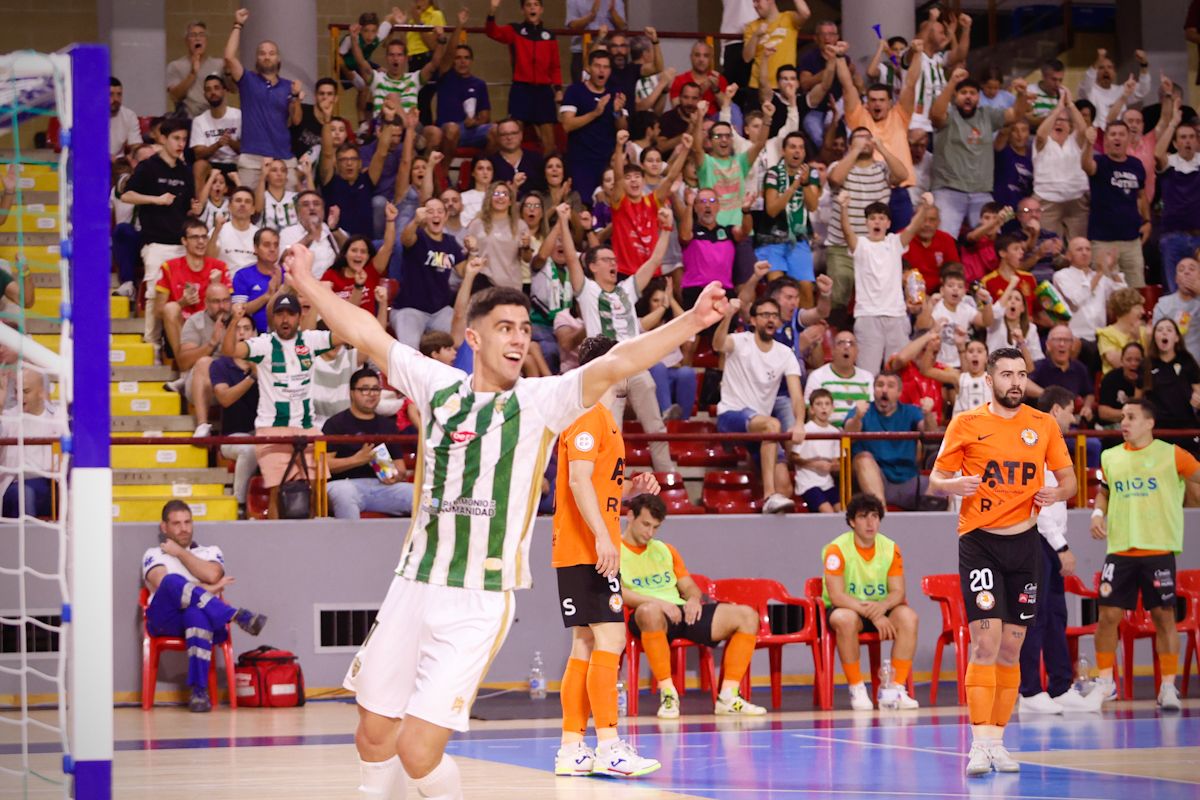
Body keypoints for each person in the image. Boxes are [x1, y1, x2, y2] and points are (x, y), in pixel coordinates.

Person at [286, 224, 736, 798]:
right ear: (474, 338)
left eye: (525, 329)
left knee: (417, 750)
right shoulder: (438, 387)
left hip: (477, 597)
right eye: (505, 328)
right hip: (413, 584)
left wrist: (691, 322)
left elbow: (614, 363)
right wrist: (306, 282)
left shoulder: (540, 401)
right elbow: (368, 333)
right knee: (373, 737)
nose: (519, 339)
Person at [930, 346, 1076, 777]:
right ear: (990, 379)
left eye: (1021, 374)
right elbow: (937, 481)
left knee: (1012, 647)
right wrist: (956, 483)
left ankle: (998, 740)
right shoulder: (967, 423)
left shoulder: (1043, 424)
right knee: (986, 642)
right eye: (1006, 374)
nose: (1015, 381)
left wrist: (1057, 493)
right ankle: (979, 744)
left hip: (1026, 546)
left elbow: (1068, 480)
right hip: (980, 544)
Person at [551, 335, 663, 778]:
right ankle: (610, 746)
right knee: (611, 640)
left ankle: (572, 747)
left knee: (584, 644)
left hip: (582, 546)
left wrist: (630, 487)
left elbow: (595, 483)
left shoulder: (601, 416)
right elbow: (578, 483)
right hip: (586, 548)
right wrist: (603, 538)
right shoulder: (585, 414)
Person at [1090, 399, 1200, 711]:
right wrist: (1097, 515)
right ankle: (1105, 683)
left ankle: (1167, 686)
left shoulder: (1171, 454)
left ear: (1149, 423)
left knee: (1164, 617)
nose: (1123, 422)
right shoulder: (1110, 456)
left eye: (1131, 417)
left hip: (1159, 548)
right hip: (1120, 549)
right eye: (1122, 417)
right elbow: (1105, 491)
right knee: (1108, 616)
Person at [620, 493, 767, 718]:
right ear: (630, 516)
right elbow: (619, 592)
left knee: (747, 615)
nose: (649, 533)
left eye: (656, 527)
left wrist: (693, 600)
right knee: (649, 612)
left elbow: (688, 585)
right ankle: (668, 694)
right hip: (647, 615)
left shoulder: (666, 550)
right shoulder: (614, 550)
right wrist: (658, 603)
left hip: (680, 612)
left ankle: (728, 696)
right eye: (645, 524)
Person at [1015, 387, 1104, 713]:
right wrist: (1061, 546)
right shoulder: (1034, 446)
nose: (1073, 417)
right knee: (1035, 617)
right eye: (1070, 411)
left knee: (1055, 615)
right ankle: (1029, 691)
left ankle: (1060, 685)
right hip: (1037, 540)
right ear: (1055, 410)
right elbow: (1040, 504)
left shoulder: (1053, 446)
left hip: (1050, 543)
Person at [567, 210, 675, 473]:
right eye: (605, 260)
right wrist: (562, 221)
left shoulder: (627, 289)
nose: (613, 264)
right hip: (604, 369)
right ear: (592, 267)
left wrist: (667, 230)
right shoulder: (588, 291)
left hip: (634, 366)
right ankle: (610, 480)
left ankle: (668, 477)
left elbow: (654, 260)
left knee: (656, 426)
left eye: (614, 259)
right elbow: (571, 258)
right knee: (610, 431)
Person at [141, 500, 267, 712]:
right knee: (172, 582)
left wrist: (180, 553)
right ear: (164, 527)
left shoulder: (210, 552)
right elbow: (163, 585)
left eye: (188, 522)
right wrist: (211, 588)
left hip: (204, 619)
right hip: (165, 620)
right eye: (177, 523)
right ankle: (234, 615)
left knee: (196, 615)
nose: (184, 528)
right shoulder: (154, 554)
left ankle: (199, 692)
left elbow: (212, 574)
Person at [222, 293, 339, 518]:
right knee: (276, 491)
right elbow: (230, 351)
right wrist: (235, 321)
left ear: (299, 317)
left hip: (307, 427)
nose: (285, 319)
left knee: (317, 490)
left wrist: (330, 301)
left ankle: (315, 543)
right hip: (271, 430)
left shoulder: (311, 340)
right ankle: (275, 541)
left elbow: (344, 336)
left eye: (291, 314)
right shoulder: (264, 344)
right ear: (273, 318)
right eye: (280, 314)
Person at [822, 493, 921, 710]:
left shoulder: (890, 548)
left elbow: (897, 592)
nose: (870, 522)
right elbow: (837, 596)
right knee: (844, 619)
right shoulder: (836, 549)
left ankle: (894, 689)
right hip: (848, 608)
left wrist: (882, 608)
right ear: (851, 521)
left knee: (908, 617)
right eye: (863, 516)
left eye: (875, 516)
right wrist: (874, 614)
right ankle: (857, 688)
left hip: (881, 607)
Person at [712, 294, 806, 514]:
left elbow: (796, 394)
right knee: (773, 425)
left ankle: (773, 504)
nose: (770, 320)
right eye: (765, 315)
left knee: (786, 487)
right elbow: (717, 344)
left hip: (761, 428)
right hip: (731, 416)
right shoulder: (740, 341)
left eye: (774, 315)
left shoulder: (785, 354)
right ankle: (768, 496)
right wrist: (727, 317)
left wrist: (800, 422)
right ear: (753, 320)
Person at [836, 190, 936, 375]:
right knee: (868, 373)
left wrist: (925, 208)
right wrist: (843, 208)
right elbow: (847, 232)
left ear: (888, 223)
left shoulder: (894, 242)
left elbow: (913, 228)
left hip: (896, 317)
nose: (877, 221)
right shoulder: (861, 245)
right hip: (867, 316)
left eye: (882, 218)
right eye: (873, 218)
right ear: (866, 223)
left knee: (900, 373)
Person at [930, 66, 1029, 236]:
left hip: (981, 192)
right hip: (948, 190)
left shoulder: (987, 115)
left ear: (978, 97)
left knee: (991, 238)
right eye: (963, 92)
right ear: (955, 95)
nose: (968, 96)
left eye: (972, 93)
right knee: (944, 239)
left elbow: (1015, 115)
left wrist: (1022, 94)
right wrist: (952, 82)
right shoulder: (949, 115)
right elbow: (936, 114)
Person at [119, 117, 194, 342]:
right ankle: (151, 344)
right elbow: (126, 195)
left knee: (184, 297)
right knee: (154, 294)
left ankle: (179, 347)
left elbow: (187, 207)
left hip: (181, 244)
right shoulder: (148, 166)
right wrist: (156, 199)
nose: (181, 143)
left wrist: (194, 209)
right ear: (163, 138)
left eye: (184, 139)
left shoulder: (185, 171)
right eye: (176, 138)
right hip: (155, 242)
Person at [841, 39, 923, 230]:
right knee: (869, 243)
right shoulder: (859, 116)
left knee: (902, 246)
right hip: (869, 189)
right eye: (873, 100)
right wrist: (839, 57)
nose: (877, 104)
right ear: (867, 103)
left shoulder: (900, 116)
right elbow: (847, 86)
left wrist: (918, 53)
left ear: (890, 103)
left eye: (882, 100)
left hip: (898, 190)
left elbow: (910, 84)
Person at [825, 128, 906, 315]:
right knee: (838, 297)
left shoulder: (882, 169)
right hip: (841, 245)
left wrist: (883, 149)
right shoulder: (838, 166)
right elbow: (835, 179)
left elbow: (902, 175)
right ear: (849, 144)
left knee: (873, 298)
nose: (864, 142)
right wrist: (855, 151)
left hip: (874, 248)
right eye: (858, 139)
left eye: (868, 139)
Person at [224, 8, 303, 191]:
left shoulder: (288, 86)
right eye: (262, 53)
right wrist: (238, 25)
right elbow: (229, 57)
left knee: (290, 208)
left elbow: (296, 120)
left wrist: (296, 97)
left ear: (278, 58)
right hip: (252, 157)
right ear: (257, 58)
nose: (267, 56)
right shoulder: (247, 80)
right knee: (245, 206)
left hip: (283, 157)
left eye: (271, 53)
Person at [323, 367, 414, 520]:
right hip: (345, 484)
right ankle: (351, 543)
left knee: (421, 496)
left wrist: (396, 476)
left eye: (376, 389)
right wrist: (356, 460)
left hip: (382, 487)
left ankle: (420, 543)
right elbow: (323, 465)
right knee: (343, 493)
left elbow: (400, 467)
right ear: (352, 392)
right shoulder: (335, 423)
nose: (371, 394)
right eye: (364, 390)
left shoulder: (388, 425)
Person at [845, 372, 937, 511]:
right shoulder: (863, 411)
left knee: (942, 485)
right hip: (875, 479)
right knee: (862, 458)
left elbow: (931, 435)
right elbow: (848, 433)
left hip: (908, 479)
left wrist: (928, 414)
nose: (884, 390)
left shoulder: (910, 411)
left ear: (900, 392)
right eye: (880, 385)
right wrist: (858, 417)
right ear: (873, 390)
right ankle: (881, 516)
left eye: (890, 386)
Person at [487, 0, 562, 154]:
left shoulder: (550, 36)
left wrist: (559, 89)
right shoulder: (515, 30)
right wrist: (492, 12)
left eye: (535, 4)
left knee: (549, 140)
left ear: (541, 9)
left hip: (543, 92)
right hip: (521, 89)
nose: (532, 8)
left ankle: (545, 176)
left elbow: (555, 66)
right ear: (522, 10)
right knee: (513, 136)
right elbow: (492, 32)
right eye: (528, 5)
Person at [1083, 121, 1149, 289]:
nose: (1117, 138)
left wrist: (1147, 221)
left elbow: (1141, 196)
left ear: (1128, 139)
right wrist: (1088, 145)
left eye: (1121, 134)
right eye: (1112, 134)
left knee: (1137, 290)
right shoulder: (1100, 162)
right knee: (1107, 291)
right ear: (1105, 140)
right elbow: (1087, 166)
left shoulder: (1136, 164)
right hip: (1103, 241)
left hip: (1132, 240)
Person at [156, 216, 232, 362]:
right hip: (182, 330)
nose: (201, 242)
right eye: (195, 237)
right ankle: (183, 365)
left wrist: (214, 287)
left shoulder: (219, 267)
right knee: (171, 308)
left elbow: (228, 309)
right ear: (184, 241)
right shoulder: (169, 267)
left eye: (204, 237)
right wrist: (181, 303)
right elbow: (159, 311)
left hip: (211, 326)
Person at [561, 48, 626, 207]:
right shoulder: (575, 91)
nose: (601, 70)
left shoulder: (615, 92)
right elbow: (567, 125)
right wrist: (594, 113)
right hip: (581, 162)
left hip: (607, 162)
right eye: (597, 66)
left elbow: (623, 129)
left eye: (606, 67)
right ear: (588, 68)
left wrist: (617, 113)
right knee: (584, 207)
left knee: (611, 206)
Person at [210, 314, 259, 518]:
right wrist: (252, 378)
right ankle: (238, 505)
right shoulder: (220, 366)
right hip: (232, 437)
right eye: (237, 328)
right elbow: (225, 399)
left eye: (247, 328)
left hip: (263, 433)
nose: (242, 333)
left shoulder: (266, 363)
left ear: (255, 334)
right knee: (248, 449)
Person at [1053, 238, 1125, 373]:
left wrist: (1112, 269)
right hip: (1076, 337)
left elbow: (1122, 298)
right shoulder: (1062, 276)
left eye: (1088, 249)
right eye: (1079, 249)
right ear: (1068, 255)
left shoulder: (1101, 277)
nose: (1085, 253)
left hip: (1101, 336)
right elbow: (1077, 299)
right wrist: (1099, 273)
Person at [347, 23, 444, 118]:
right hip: (382, 129)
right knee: (392, 98)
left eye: (399, 55)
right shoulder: (377, 78)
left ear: (405, 58)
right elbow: (361, 62)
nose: (395, 58)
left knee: (433, 132)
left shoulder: (414, 79)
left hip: (408, 129)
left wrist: (440, 40)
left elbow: (434, 64)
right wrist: (354, 39)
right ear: (386, 58)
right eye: (391, 55)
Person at [174, 282, 233, 438]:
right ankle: (202, 426)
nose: (222, 306)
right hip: (202, 382)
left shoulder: (240, 320)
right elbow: (183, 362)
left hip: (231, 379)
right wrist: (212, 343)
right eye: (216, 301)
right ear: (206, 303)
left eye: (226, 300)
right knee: (204, 362)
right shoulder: (195, 322)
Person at [1033, 87, 1090, 241]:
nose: (1058, 122)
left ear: (1070, 125)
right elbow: (1039, 134)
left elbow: (1084, 129)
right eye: (1055, 119)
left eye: (1063, 120)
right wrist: (1057, 109)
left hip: (1076, 199)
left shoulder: (1075, 141)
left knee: (1078, 243)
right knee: (1049, 247)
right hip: (1047, 199)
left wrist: (1070, 104)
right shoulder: (1043, 142)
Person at [0, 370, 59, 519]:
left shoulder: (57, 418)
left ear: (41, 393)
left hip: (50, 484)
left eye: (25, 391)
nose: (20, 397)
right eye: (16, 392)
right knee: (23, 494)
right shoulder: (8, 417)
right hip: (14, 485)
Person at [1155, 113, 1200, 294]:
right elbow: (1157, 153)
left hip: (1199, 237)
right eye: (1183, 137)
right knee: (1174, 290)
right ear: (1175, 143)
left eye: (1191, 137)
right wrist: (1173, 123)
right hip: (1173, 238)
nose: (1188, 141)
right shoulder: (1170, 164)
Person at [430, 32, 492, 158]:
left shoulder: (479, 84)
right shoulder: (445, 77)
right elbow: (447, 55)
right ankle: (444, 173)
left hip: (471, 130)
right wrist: (459, 25)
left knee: (497, 130)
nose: (462, 61)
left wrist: (475, 122)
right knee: (453, 129)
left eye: (466, 58)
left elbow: (485, 116)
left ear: (471, 61)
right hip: (447, 130)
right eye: (458, 58)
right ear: (453, 61)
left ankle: (484, 165)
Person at [1028, 325, 1097, 425]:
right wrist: (1050, 396)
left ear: (1072, 345)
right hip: (1041, 423)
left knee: (1093, 441)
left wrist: (1087, 407)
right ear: (1048, 345)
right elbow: (1024, 384)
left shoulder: (1080, 368)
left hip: (1070, 424)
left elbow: (1089, 393)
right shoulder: (1039, 366)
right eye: (1057, 340)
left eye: (1066, 340)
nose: (1062, 344)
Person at [805, 331, 874, 428]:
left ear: (857, 351)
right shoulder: (817, 376)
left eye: (851, 344)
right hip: (828, 435)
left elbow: (873, 412)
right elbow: (810, 412)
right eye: (841, 343)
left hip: (860, 435)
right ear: (832, 350)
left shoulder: (867, 377)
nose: (846, 347)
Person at [742, 0, 811, 92]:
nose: (754, 5)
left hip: (785, 83)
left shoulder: (789, 17)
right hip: (758, 85)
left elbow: (805, 13)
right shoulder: (752, 26)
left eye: (758, 1)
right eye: (753, 2)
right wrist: (756, 36)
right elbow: (747, 58)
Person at [167, 21, 230, 119]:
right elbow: (175, 96)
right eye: (193, 35)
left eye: (201, 35)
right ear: (187, 41)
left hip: (217, 118)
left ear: (206, 40)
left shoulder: (219, 64)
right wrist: (192, 73)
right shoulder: (175, 66)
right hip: (189, 120)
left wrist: (229, 68)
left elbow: (234, 89)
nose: (197, 38)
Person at [189, 74, 242, 190]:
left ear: (224, 91)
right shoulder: (199, 121)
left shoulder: (239, 116)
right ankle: (199, 206)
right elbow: (198, 154)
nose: (213, 92)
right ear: (204, 95)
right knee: (199, 166)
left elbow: (246, 149)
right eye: (208, 90)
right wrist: (217, 144)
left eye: (216, 88)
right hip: (211, 165)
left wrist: (230, 142)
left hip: (236, 163)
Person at [792, 388, 840, 513]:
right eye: (819, 404)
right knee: (828, 511)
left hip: (827, 483)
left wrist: (834, 466)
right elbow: (793, 457)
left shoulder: (835, 432)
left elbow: (837, 462)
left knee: (842, 511)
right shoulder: (805, 430)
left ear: (832, 408)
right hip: (808, 483)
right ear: (812, 409)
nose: (823, 408)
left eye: (827, 404)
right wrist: (815, 465)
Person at [1078, 48, 1151, 130]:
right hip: (1096, 137)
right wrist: (1098, 61)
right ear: (1095, 71)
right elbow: (1088, 78)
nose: (1106, 71)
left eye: (1110, 67)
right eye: (1101, 67)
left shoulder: (1122, 90)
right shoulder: (1089, 90)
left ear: (1115, 72)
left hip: (1119, 136)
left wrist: (1144, 64)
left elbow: (1143, 90)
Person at [279, 190, 345, 280]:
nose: (312, 207)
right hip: (302, 288)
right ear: (297, 211)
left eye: (316, 204)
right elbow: (283, 260)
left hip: (333, 287)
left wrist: (334, 229)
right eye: (306, 205)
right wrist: (310, 236)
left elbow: (350, 252)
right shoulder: (288, 233)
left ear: (323, 209)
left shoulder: (334, 231)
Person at [232, 228, 284, 335]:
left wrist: (280, 290)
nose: (272, 249)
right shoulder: (243, 275)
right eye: (267, 245)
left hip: (284, 333)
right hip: (252, 336)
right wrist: (267, 295)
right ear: (255, 248)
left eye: (276, 245)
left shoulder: (288, 274)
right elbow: (239, 311)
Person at [566, 0, 625, 81]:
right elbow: (572, 26)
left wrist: (613, 12)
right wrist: (591, 16)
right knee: (581, 88)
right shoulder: (574, 1)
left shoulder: (615, 1)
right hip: (581, 52)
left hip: (610, 52)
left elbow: (623, 26)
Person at [1153, 257, 1200, 358]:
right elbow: (1156, 338)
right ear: (1176, 279)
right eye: (1181, 270)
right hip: (1172, 362)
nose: (1186, 272)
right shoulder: (1163, 304)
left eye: (1192, 269)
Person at [1097, 287, 1149, 375]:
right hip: (1116, 382)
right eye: (1138, 308)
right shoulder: (1106, 334)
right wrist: (1134, 340)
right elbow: (1118, 363)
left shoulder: (1145, 332)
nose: (1143, 311)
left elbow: (1151, 363)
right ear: (1125, 309)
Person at [488, 118, 545, 196]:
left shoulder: (536, 159)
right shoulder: (490, 163)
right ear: (498, 138)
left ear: (521, 135)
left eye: (513, 133)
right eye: (504, 134)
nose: (509, 138)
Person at [1098, 342, 1145, 428]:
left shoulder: (1149, 380)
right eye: (1129, 360)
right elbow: (1103, 412)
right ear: (1122, 361)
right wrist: (1131, 415)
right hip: (1112, 428)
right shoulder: (1110, 378)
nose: (1133, 364)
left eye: (1138, 360)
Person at [108, 77, 142, 160]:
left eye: (119, 94)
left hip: (120, 165)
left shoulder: (129, 115)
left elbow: (136, 145)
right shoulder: (88, 116)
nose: (116, 99)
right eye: (110, 94)